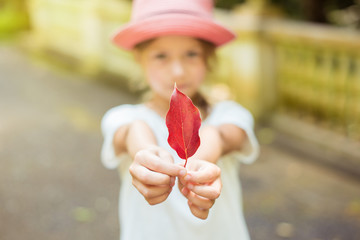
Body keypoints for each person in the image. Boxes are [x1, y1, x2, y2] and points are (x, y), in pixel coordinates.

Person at [100, 0, 260, 239]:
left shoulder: (230, 114)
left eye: (191, 54)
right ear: (138, 57)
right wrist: (147, 154)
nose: (177, 71)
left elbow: (220, 135)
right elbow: (133, 131)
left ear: (208, 57)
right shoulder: (123, 116)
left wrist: (198, 164)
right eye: (161, 56)